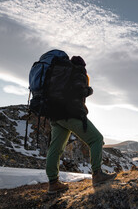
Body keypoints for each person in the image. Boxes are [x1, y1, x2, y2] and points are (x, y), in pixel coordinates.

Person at [46, 56, 116, 194]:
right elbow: (79, 91)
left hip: (55, 115)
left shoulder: (60, 75)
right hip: (70, 114)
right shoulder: (78, 72)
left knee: (56, 148)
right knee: (96, 139)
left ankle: (53, 183)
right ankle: (97, 175)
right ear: (83, 66)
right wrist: (89, 90)